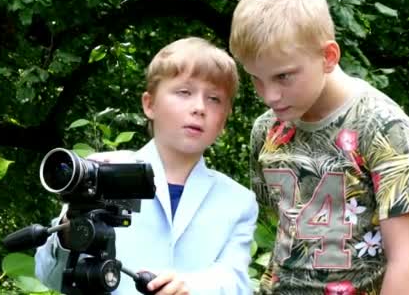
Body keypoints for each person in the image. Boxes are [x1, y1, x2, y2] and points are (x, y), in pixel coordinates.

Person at [229, 0, 409, 295]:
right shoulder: (265, 130)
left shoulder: (383, 127)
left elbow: (406, 262)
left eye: (284, 76)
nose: (269, 95)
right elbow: (287, 227)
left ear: (328, 56)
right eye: (256, 78)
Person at [35, 37, 259, 295]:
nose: (199, 107)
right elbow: (49, 274)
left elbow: (237, 282)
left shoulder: (239, 201)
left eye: (214, 99)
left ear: (224, 120)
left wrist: (193, 286)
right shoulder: (101, 172)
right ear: (149, 104)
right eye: (184, 92)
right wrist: (70, 227)